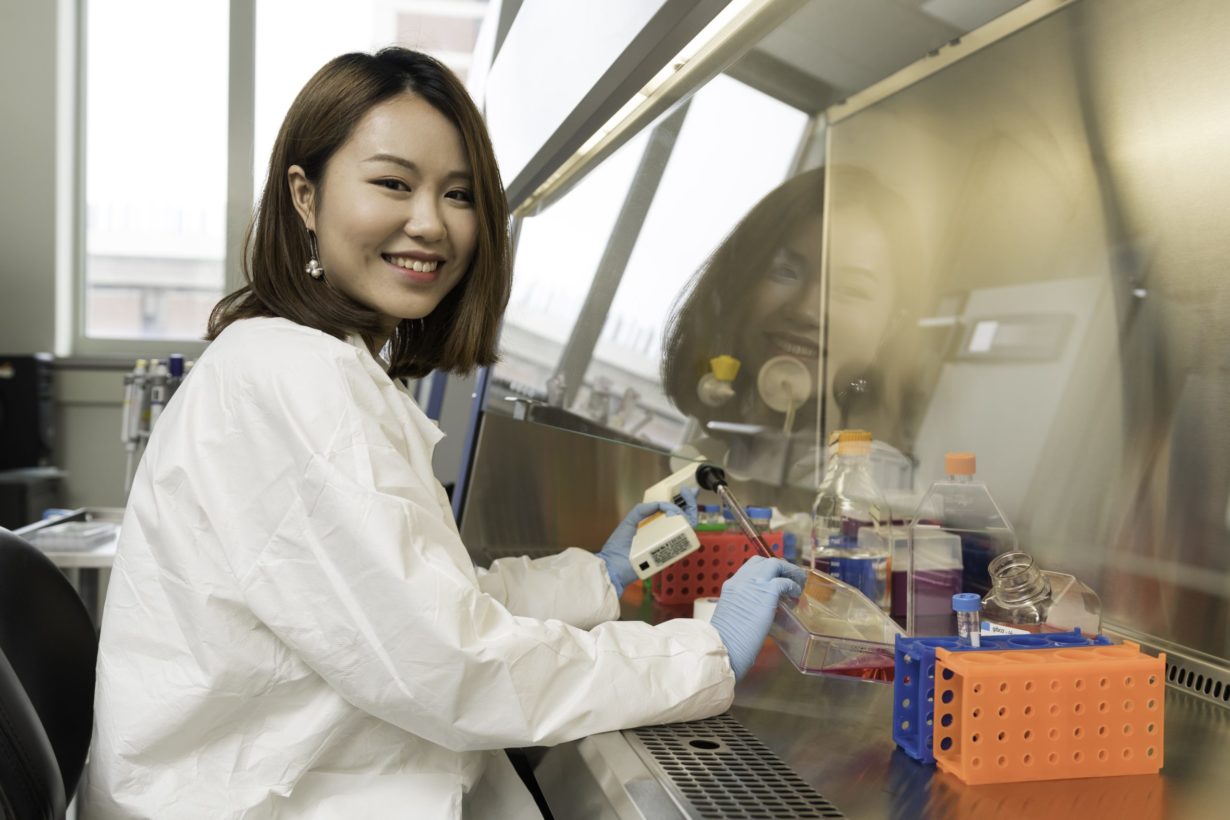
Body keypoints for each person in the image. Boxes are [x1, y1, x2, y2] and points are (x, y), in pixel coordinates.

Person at [84, 48, 804, 819]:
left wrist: (598, 577)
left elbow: (426, 599)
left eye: (457, 194)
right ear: (305, 194)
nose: (429, 223)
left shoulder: (313, 362)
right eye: (393, 183)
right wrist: (702, 653)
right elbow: (451, 663)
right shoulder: (293, 379)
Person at [660, 165, 923, 513]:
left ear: (891, 326)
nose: (806, 310)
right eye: (784, 271)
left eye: (851, 289)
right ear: (740, 282)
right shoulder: (699, 468)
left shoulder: (889, 504)